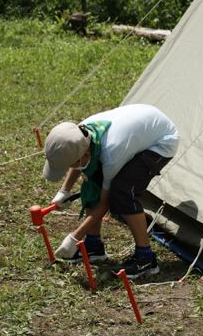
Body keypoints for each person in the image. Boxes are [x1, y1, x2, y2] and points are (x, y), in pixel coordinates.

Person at [42, 104, 179, 279]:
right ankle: (93, 247)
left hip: (162, 140)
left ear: (84, 155)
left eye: (70, 164)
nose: (69, 168)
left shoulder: (112, 153)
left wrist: (75, 237)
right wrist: (65, 190)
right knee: (92, 182)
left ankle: (145, 259)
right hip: (138, 128)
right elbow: (80, 165)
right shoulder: (79, 135)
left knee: (122, 192)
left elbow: (105, 202)